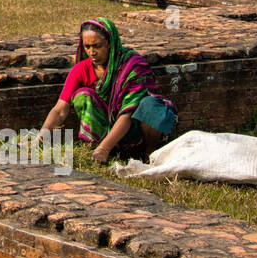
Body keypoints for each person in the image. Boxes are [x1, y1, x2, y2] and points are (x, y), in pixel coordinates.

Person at [38, 18, 177, 163]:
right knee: (83, 96)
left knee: (151, 105)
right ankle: (98, 149)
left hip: (135, 129)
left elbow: (127, 114)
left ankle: (149, 156)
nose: (92, 52)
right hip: (106, 128)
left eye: (97, 46)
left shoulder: (132, 66)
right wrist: (41, 137)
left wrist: (103, 149)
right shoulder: (82, 69)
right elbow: (60, 109)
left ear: (110, 44)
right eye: (87, 47)